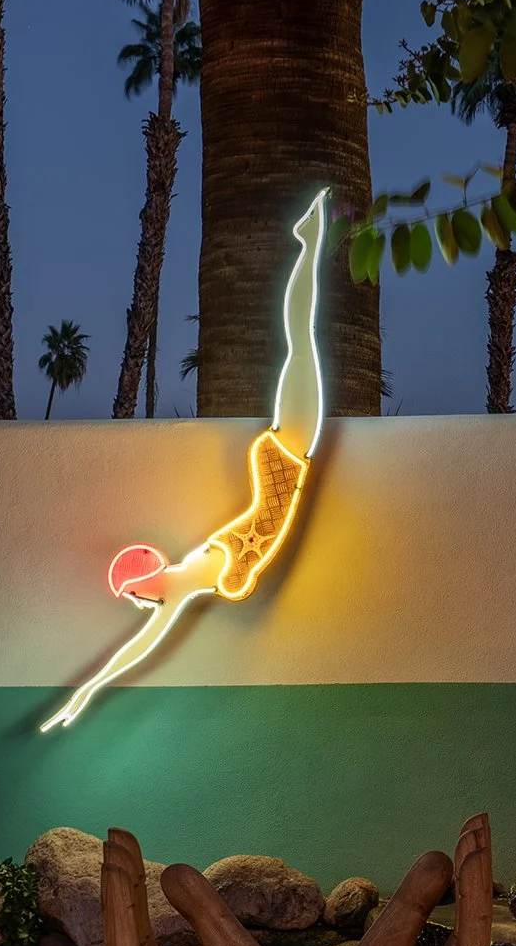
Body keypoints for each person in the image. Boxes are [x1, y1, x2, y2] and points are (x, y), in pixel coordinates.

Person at [41, 189, 328, 732]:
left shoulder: (181, 581)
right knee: (297, 346)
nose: (136, 604)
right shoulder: (183, 581)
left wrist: (86, 690)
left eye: (131, 593)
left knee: (299, 344)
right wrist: (87, 689)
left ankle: (309, 243)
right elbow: (138, 647)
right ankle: (308, 244)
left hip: (283, 463)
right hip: (282, 463)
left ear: (142, 583)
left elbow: (136, 648)